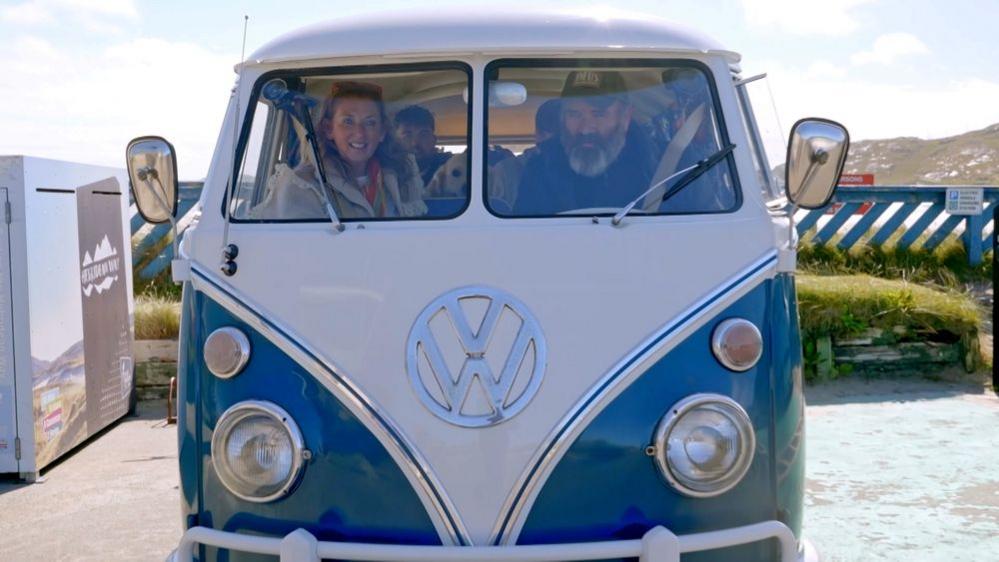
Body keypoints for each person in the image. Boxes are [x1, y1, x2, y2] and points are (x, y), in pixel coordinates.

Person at [252, 81, 426, 219]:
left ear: (381, 132)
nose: (359, 133)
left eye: (370, 122)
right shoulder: (302, 185)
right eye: (348, 121)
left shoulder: (403, 175)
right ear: (329, 129)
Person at [512, 70, 657, 216]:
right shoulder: (539, 170)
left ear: (625, 117)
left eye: (599, 114)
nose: (585, 129)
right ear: (562, 118)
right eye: (574, 114)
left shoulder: (660, 166)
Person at [394, 105, 452, 186]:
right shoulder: (383, 175)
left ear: (434, 140)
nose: (415, 143)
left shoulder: (450, 172)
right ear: (395, 141)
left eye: (423, 135)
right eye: (407, 135)